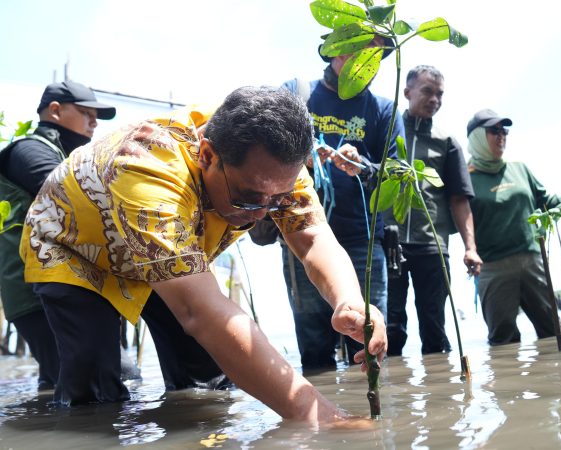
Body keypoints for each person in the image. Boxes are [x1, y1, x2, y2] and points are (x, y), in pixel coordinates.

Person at [20, 86, 386, 426]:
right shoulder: (146, 164)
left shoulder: (275, 167)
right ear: (207, 155)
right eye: (248, 197)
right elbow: (200, 313)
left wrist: (349, 301)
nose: (262, 214)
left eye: (277, 201)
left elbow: (310, 235)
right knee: (94, 387)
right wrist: (321, 419)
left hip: (162, 251)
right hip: (75, 248)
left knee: (205, 382)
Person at [279, 36, 403, 372]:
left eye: (378, 54)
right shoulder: (297, 94)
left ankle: (375, 422)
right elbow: (266, 147)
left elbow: (397, 172)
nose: (369, 61)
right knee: (315, 350)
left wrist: (364, 166)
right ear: (337, 50)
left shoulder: (383, 110)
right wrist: (300, 156)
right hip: (301, 238)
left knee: (371, 346)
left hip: (363, 241)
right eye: (361, 49)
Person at [0, 80, 116, 389]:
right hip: (36, 293)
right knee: (98, 386)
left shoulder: (62, 154)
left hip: (53, 290)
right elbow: (69, 198)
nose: (94, 123)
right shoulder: (29, 150)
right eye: (85, 113)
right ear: (55, 110)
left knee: (59, 383)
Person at [466, 109, 561, 345]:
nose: (501, 137)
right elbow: (458, 220)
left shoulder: (520, 169)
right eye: (494, 131)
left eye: (504, 131)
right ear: (477, 137)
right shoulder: (466, 179)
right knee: (503, 340)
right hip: (493, 267)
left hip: (532, 262)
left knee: (553, 332)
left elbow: (547, 203)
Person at [385, 65, 482, 356]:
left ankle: (441, 394)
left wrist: (470, 247)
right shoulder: (387, 131)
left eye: (439, 94)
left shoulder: (447, 142)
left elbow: (459, 199)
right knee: (391, 326)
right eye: (427, 91)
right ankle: (393, 394)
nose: (434, 99)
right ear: (407, 92)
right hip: (389, 242)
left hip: (432, 245)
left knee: (434, 326)